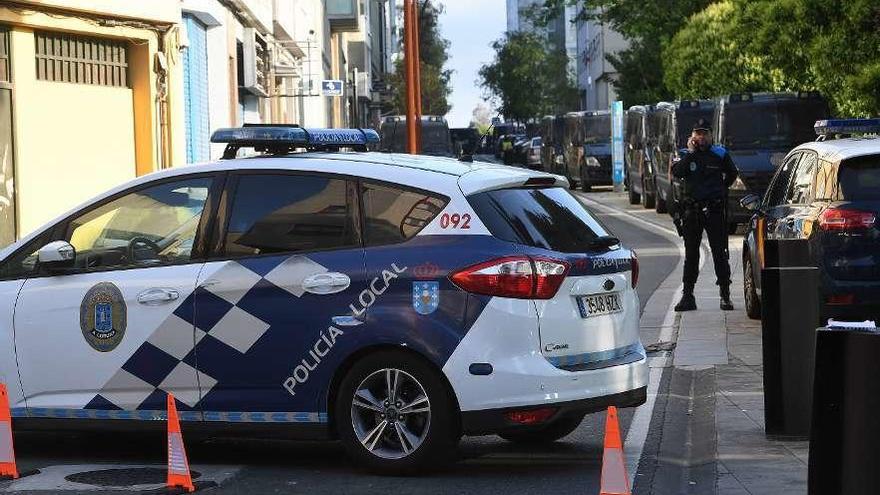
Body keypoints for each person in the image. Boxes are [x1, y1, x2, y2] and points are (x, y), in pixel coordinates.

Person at [672, 118, 739, 312]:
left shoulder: (720, 154)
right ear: (692, 136)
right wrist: (690, 154)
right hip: (692, 211)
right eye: (697, 133)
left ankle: (725, 295)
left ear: (711, 135)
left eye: (704, 133)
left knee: (720, 252)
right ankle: (688, 296)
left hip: (714, 210)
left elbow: (732, 174)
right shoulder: (686, 154)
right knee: (691, 255)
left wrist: (719, 190)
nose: (701, 137)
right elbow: (677, 172)